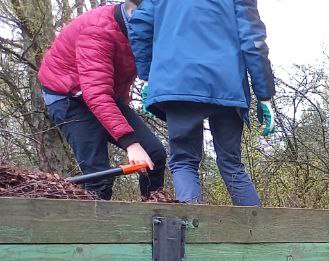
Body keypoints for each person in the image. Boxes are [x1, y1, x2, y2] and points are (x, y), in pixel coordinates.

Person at [128, 0, 276, 206]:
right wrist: (264, 94)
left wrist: (146, 77)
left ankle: (192, 232)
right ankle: (259, 234)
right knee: (232, 164)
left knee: (183, 161)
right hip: (226, 84)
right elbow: (253, 40)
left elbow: (140, 26)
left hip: (177, 82)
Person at [37, 0, 166, 200]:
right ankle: (95, 229)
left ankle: (152, 220)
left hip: (101, 94)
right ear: (133, 13)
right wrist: (130, 143)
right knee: (99, 178)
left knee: (154, 155)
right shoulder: (98, 31)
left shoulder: (140, 34)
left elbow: (117, 82)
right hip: (67, 97)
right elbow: (96, 93)